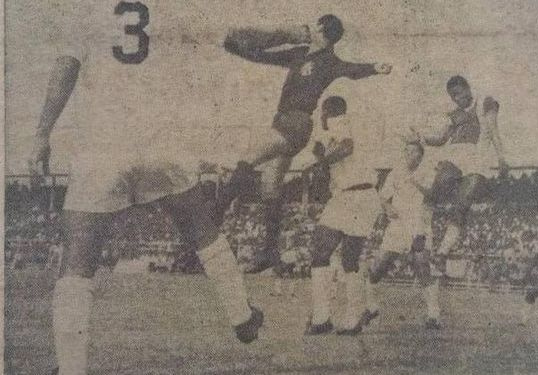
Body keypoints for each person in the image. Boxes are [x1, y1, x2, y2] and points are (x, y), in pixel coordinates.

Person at [28, 3, 263, 374]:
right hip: (160, 139)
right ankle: (241, 314)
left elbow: (66, 66)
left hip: (102, 144)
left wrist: (42, 133)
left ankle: (72, 368)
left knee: (78, 261)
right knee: (201, 228)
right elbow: (224, 45)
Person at [223, 15, 392, 273]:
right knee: (270, 186)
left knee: (248, 157)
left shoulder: (329, 61)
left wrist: (375, 67)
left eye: (315, 26)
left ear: (321, 30)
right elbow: (266, 57)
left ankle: (215, 211)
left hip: (296, 123)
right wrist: (237, 50)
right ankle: (270, 252)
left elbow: (351, 69)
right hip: (282, 122)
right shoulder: (300, 53)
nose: (310, 28)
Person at [304, 96, 382, 335]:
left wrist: (320, 162)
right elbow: (330, 156)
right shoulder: (336, 133)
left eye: (323, 113)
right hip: (355, 196)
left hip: (356, 195)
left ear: (328, 112)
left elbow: (347, 147)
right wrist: (319, 157)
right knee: (338, 256)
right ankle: (330, 317)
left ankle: (332, 316)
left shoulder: (341, 121)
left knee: (327, 253)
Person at [414, 75, 508, 272]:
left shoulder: (485, 102)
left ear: (467, 88)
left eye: (458, 94)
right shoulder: (454, 114)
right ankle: (422, 235)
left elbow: (493, 130)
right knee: (437, 187)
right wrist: (421, 138)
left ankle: (442, 253)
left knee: (461, 205)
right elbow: (441, 138)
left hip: (477, 158)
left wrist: (501, 157)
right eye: (452, 96)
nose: (456, 99)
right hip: (456, 155)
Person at [369, 137, 444, 328]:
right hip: (397, 226)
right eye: (407, 151)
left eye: (413, 152)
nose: (409, 155)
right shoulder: (395, 173)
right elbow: (383, 197)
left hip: (419, 225)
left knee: (422, 267)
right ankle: (370, 306)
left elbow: (433, 194)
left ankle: (433, 315)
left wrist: (416, 182)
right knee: (379, 266)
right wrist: (387, 208)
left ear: (421, 155)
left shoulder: (428, 172)